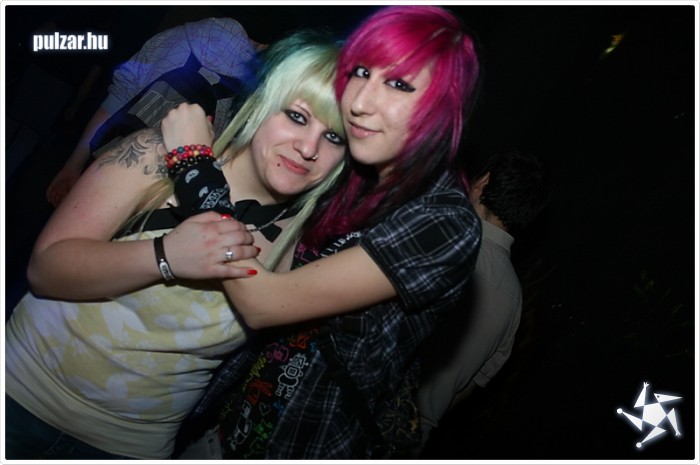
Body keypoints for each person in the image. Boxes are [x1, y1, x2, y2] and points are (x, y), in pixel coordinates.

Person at [4, 30, 347, 460]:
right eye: (297, 116)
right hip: (18, 397)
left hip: (130, 447)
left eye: (334, 137)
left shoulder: (305, 243)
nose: (308, 148)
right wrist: (164, 256)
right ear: (262, 102)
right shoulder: (155, 156)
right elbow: (45, 269)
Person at [167, 5, 483, 459]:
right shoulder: (349, 170)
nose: (359, 102)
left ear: (442, 108)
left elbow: (266, 302)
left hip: (306, 441)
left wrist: (195, 167)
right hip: (227, 423)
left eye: (398, 84)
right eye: (361, 72)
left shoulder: (443, 220)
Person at [45, 16, 266, 207]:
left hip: (107, 164)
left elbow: (119, 97)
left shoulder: (188, 36)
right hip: (155, 198)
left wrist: (74, 164)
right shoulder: (260, 92)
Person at [415, 149, 552, 453]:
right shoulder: (514, 300)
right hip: (411, 439)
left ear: (483, 182)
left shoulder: (439, 240)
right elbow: (470, 385)